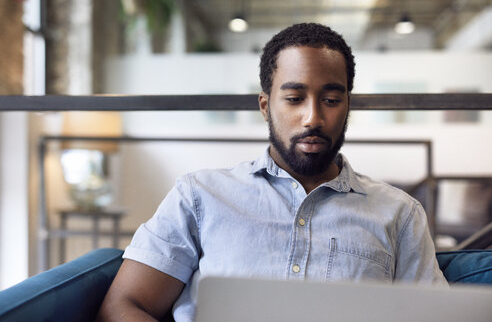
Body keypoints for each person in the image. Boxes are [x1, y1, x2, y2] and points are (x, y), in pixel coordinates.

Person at [97, 23, 447, 322]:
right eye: (294, 98)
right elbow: (123, 306)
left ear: (347, 107)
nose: (313, 117)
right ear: (266, 106)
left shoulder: (400, 214)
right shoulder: (199, 195)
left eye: (331, 100)